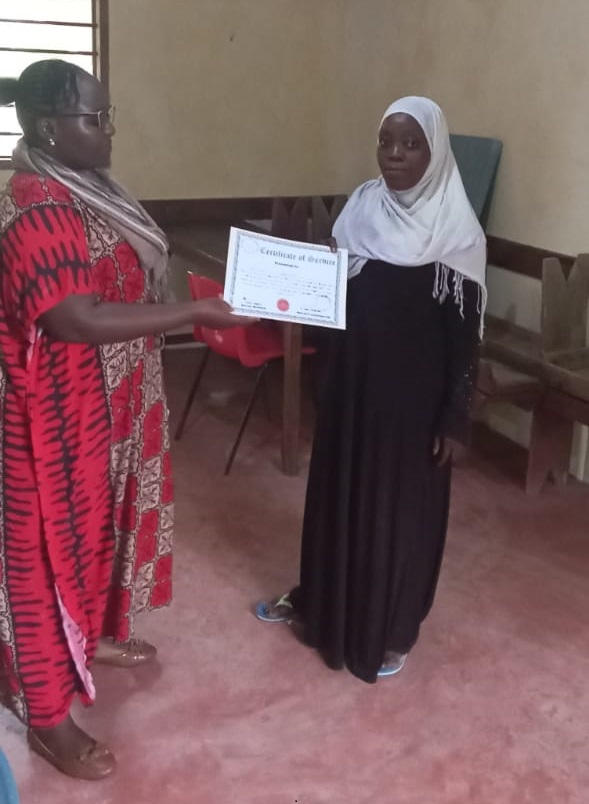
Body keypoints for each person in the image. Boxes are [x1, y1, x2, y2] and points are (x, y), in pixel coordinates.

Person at [0, 59, 252, 780]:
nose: (108, 129)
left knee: (96, 536)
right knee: (43, 557)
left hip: (110, 403)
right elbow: (74, 318)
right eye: (94, 117)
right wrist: (194, 311)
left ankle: (90, 637)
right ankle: (48, 717)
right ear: (50, 128)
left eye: (107, 114)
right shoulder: (38, 204)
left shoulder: (89, 189)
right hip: (53, 418)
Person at [256, 97, 486, 683]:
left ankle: (392, 629)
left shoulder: (456, 233)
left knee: (398, 515)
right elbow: (331, 297)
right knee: (339, 499)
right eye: (386, 141)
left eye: (410, 144)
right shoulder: (361, 209)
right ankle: (321, 604)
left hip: (413, 410)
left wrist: (455, 416)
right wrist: (277, 292)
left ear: (435, 152)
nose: (394, 155)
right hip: (352, 389)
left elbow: (464, 340)